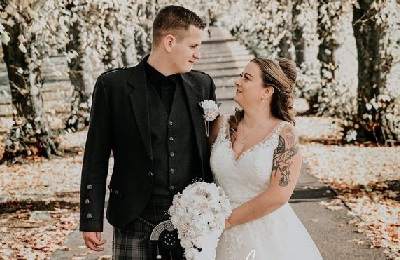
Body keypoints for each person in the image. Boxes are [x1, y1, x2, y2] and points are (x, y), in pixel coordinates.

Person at [79, 5, 216, 259]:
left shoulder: (202, 84)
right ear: (170, 42)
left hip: (190, 219)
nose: (199, 54)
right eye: (194, 46)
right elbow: (95, 157)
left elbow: (211, 149)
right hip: (133, 215)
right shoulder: (113, 87)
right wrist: (91, 218)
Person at [209, 57, 322, 259]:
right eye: (240, 76)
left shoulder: (284, 135)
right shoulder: (221, 125)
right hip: (214, 233)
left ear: (267, 91)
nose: (238, 81)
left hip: (266, 236)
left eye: (247, 78)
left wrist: (226, 222)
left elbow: (278, 195)